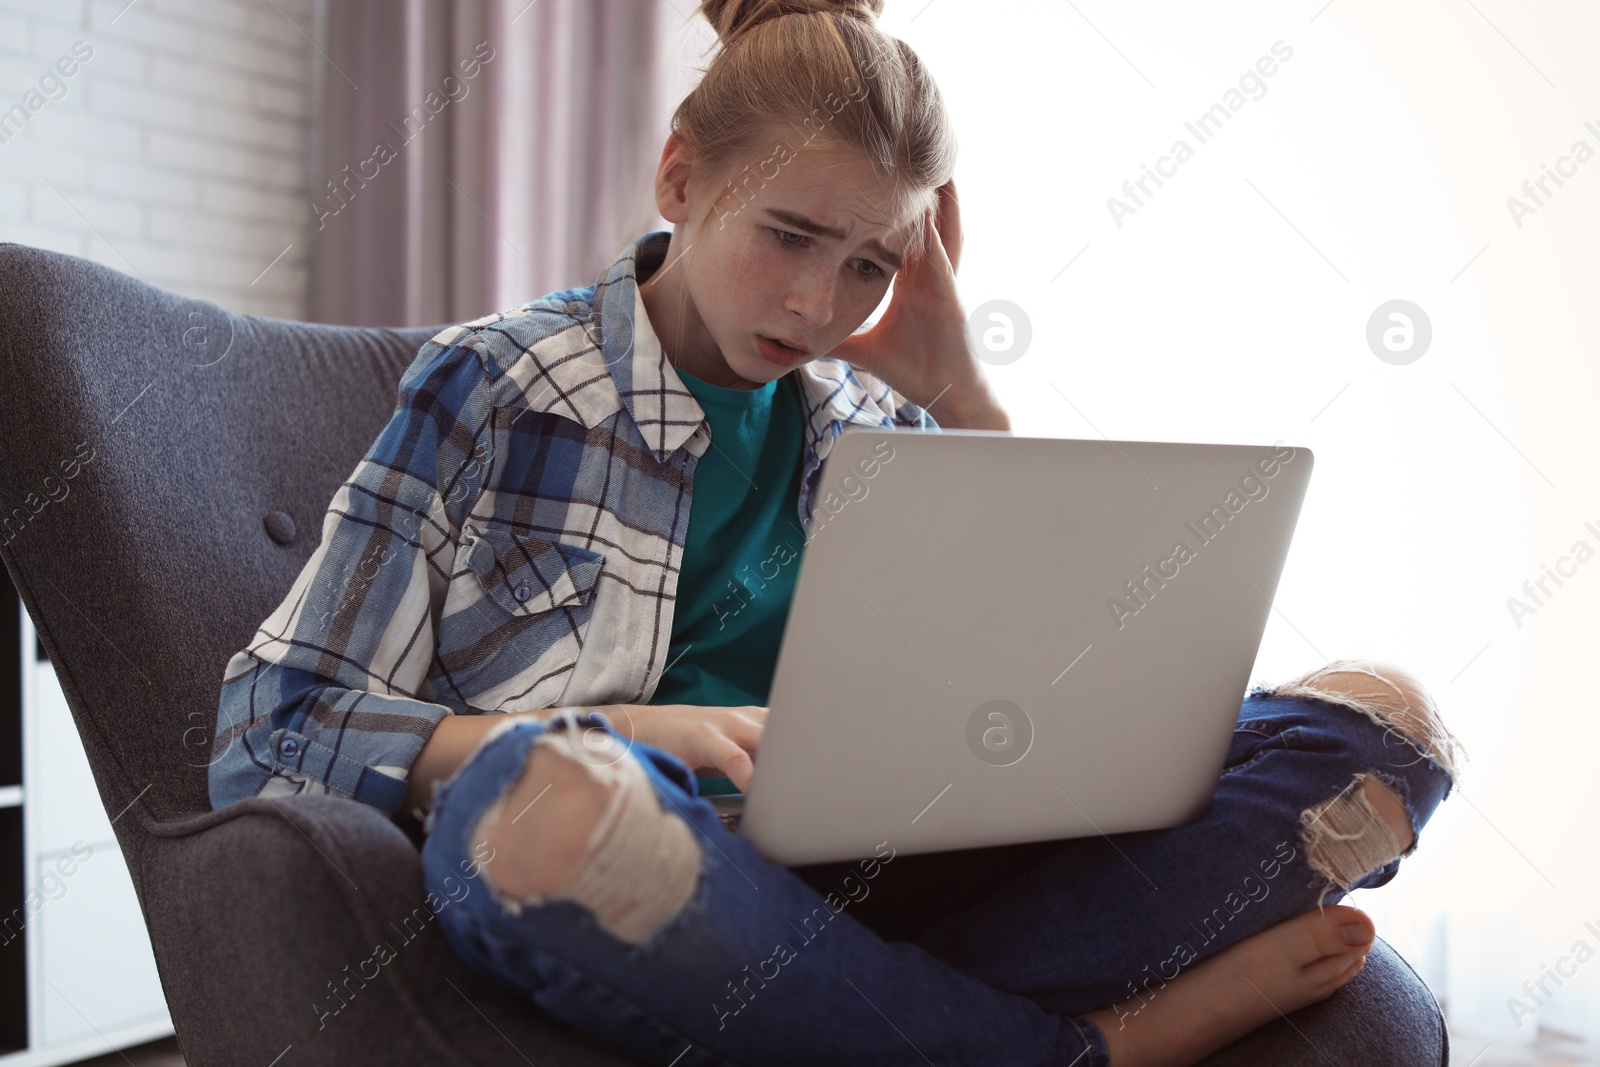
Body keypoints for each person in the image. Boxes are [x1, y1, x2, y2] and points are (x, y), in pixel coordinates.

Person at [208, 1, 1465, 1063]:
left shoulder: (872, 413)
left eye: (868, 262)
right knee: (547, 803)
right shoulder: (494, 383)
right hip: (626, 864)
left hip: (890, 872)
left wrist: (961, 392)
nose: (819, 303)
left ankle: (893, 1007)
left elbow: (1045, 698)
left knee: (1379, 726)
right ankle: (1087, 1044)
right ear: (682, 176)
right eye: (789, 236)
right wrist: (600, 732)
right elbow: (274, 722)